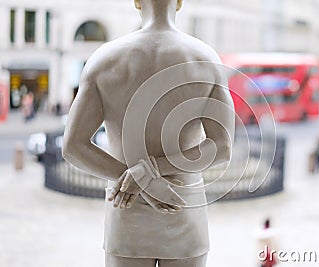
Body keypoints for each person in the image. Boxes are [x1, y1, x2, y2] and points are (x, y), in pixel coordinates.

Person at [62, 0, 235, 266]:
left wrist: (139, 178)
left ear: (136, 2)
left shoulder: (104, 59)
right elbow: (222, 148)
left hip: (125, 203)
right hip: (183, 203)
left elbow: (73, 146)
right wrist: (151, 172)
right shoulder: (206, 58)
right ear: (179, 3)